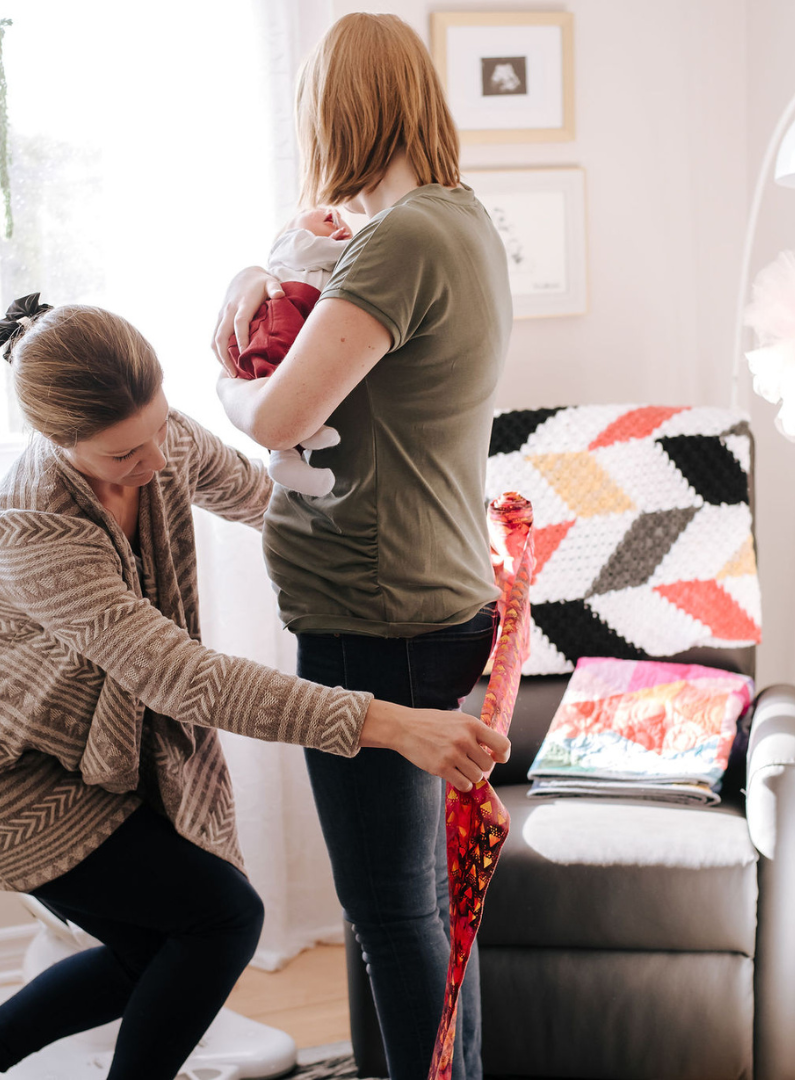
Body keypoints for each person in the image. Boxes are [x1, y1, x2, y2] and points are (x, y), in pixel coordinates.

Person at [0, 294, 510, 1080]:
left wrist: (432, 548)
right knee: (221, 920)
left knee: (165, 947)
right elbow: (184, 677)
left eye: (159, 430)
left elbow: (273, 505)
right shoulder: (34, 530)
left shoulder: (155, 436)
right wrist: (391, 723)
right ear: (58, 442)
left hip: (65, 759)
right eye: (125, 456)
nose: (156, 462)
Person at [211, 14, 512, 1080]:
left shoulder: (402, 242)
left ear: (337, 114)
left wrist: (225, 370)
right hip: (428, 597)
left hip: (373, 618)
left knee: (390, 915)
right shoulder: (459, 222)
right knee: (427, 907)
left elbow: (276, 418)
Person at [228, 205, 352, 497]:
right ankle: (288, 448)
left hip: (306, 314)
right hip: (284, 308)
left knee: (303, 373)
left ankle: (294, 450)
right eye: (316, 211)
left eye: (342, 219)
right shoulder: (293, 243)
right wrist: (351, 242)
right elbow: (346, 254)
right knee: (279, 363)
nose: (333, 214)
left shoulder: (327, 261)